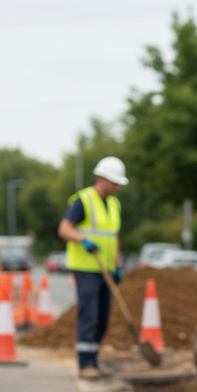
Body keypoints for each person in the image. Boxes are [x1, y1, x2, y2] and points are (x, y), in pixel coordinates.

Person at [58, 156, 127, 378]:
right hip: (86, 268)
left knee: (103, 318)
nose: (117, 187)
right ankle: (85, 364)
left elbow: (113, 236)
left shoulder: (114, 204)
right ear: (103, 179)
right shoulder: (84, 201)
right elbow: (64, 229)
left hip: (106, 269)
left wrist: (118, 264)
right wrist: (83, 240)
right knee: (90, 316)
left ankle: (94, 361)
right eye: (115, 183)